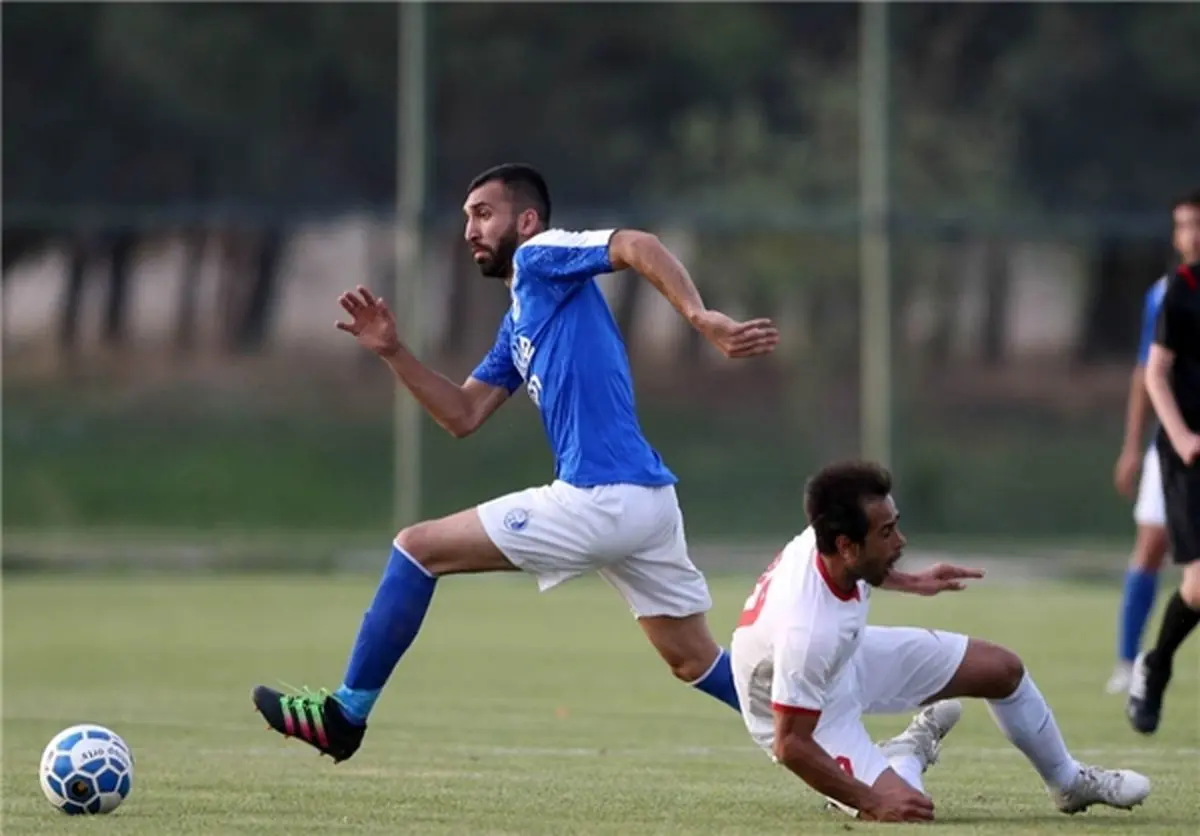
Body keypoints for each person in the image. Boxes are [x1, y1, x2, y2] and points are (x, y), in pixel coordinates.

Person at [251, 163, 779, 761]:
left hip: (600, 497)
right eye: (466, 218)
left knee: (415, 549)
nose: (470, 229)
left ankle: (345, 716)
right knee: (694, 661)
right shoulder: (521, 318)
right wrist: (394, 352)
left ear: (526, 221)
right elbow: (463, 414)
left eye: (483, 213)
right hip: (648, 503)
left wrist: (697, 315)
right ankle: (831, 736)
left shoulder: (539, 257)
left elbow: (637, 244)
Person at [730, 460, 1151, 822]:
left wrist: (912, 581)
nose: (901, 541)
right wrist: (873, 802)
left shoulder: (830, 544)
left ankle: (1068, 782)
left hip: (842, 658)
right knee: (908, 810)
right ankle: (904, 755)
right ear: (846, 545)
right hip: (808, 713)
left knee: (1002, 670)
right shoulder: (807, 631)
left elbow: (856, 575)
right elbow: (791, 744)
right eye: (887, 533)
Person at [1127, 190, 1200, 734]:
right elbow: (1154, 373)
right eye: (1183, 226)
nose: (1190, 236)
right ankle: (1154, 663)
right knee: (1198, 581)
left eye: (1196, 224)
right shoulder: (1179, 290)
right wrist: (1182, 437)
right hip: (1187, 456)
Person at [1107, 273, 1169, 694]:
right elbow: (1146, 371)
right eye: (1184, 225)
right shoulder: (1166, 293)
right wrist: (1132, 446)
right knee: (1150, 546)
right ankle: (1128, 662)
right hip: (1174, 446)